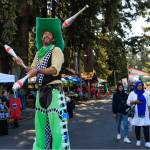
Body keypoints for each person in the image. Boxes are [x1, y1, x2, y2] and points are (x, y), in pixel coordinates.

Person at [13, 18, 70, 150]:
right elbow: (31, 72)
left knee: (57, 129)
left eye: (49, 34)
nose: (46, 35)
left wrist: (38, 70)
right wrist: (21, 64)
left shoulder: (56, 50)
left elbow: (55, 70)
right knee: (40, 128)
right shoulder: (38, 54)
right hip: (41, 92)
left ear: (53, 38)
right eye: (44, 34)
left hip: (54, 91)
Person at [127, 81, 150, 148]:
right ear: (136, 86)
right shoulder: (132, 93)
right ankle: (138, 140)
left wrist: (149, 113)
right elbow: (128, 102)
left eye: (141, 85)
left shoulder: (146, 93)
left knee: (146, 127)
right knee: (137, 127)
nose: (140, 86)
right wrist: (135, 101)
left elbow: (149, 104)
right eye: (138, 85)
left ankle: (147, 142)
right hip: (136, 114)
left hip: (145, 114)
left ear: (143, 86)